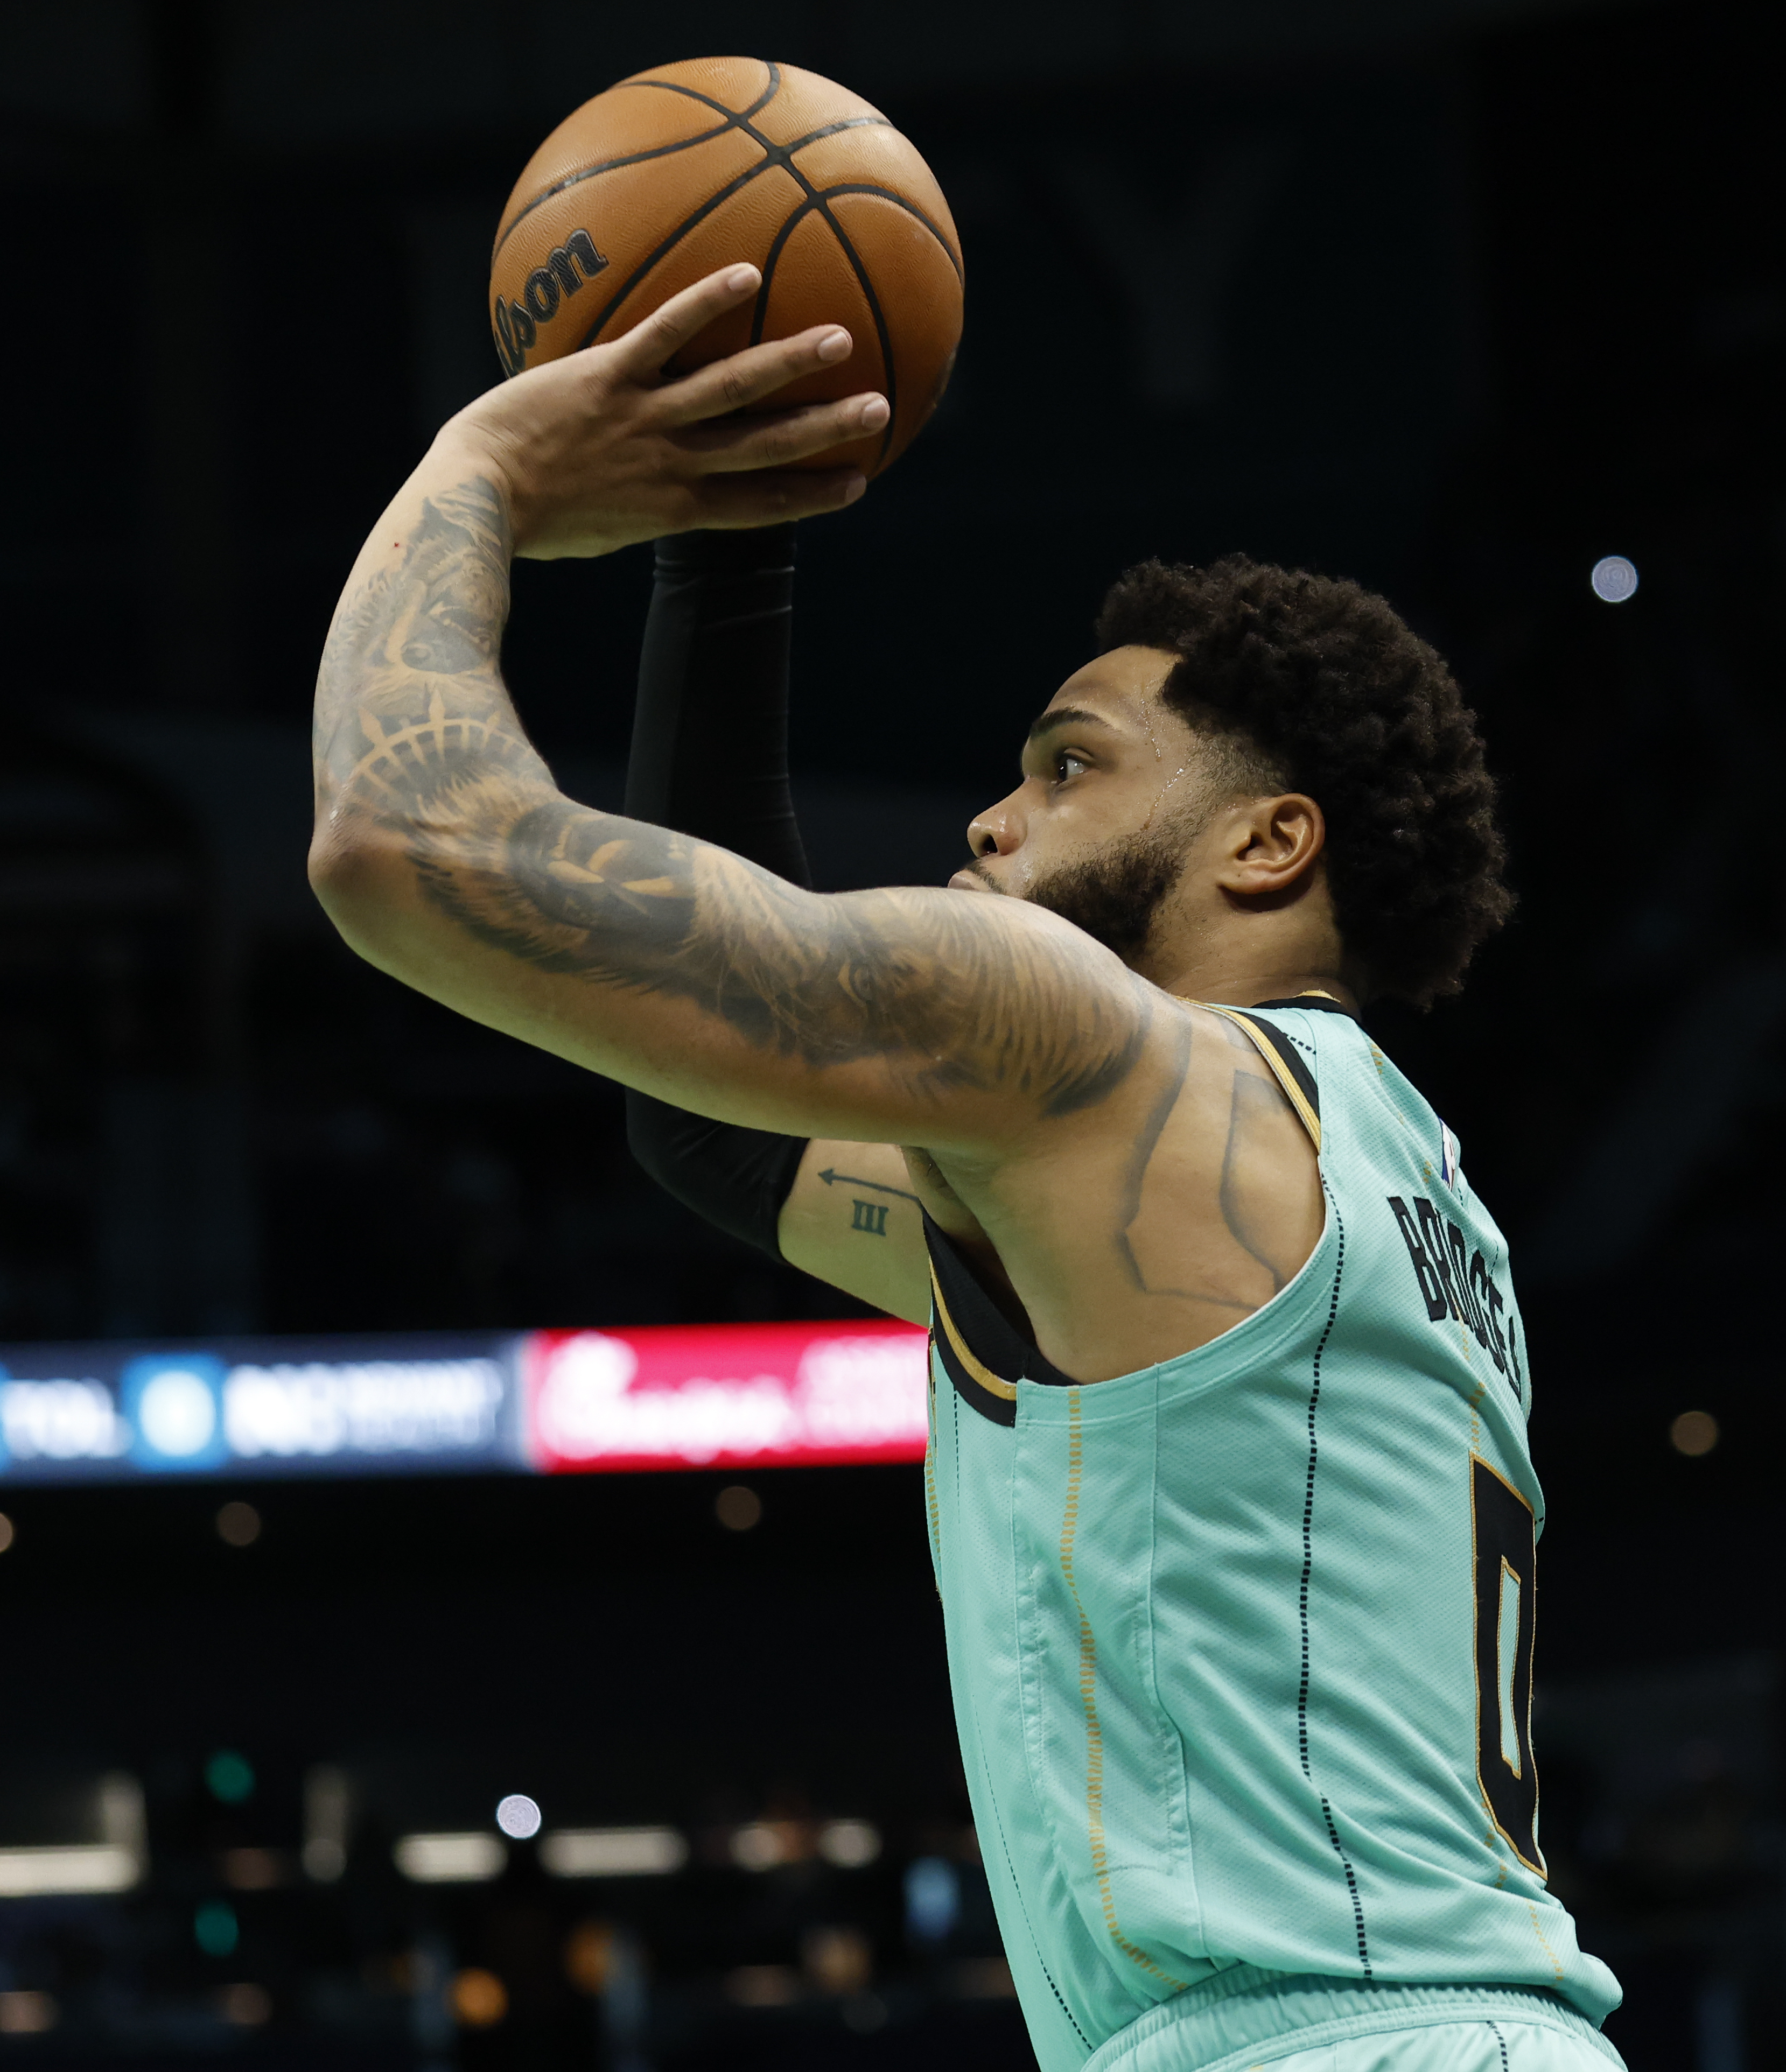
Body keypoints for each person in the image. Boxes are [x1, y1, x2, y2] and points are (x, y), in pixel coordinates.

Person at [308, 265, 1622, 2072]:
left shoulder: (1093, 1048)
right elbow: (719, 1128)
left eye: (1070, 767)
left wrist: (481, 469)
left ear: (1266, 841)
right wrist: (725, 547)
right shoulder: (1405, 1189)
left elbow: (404, 841)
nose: (993, 819)